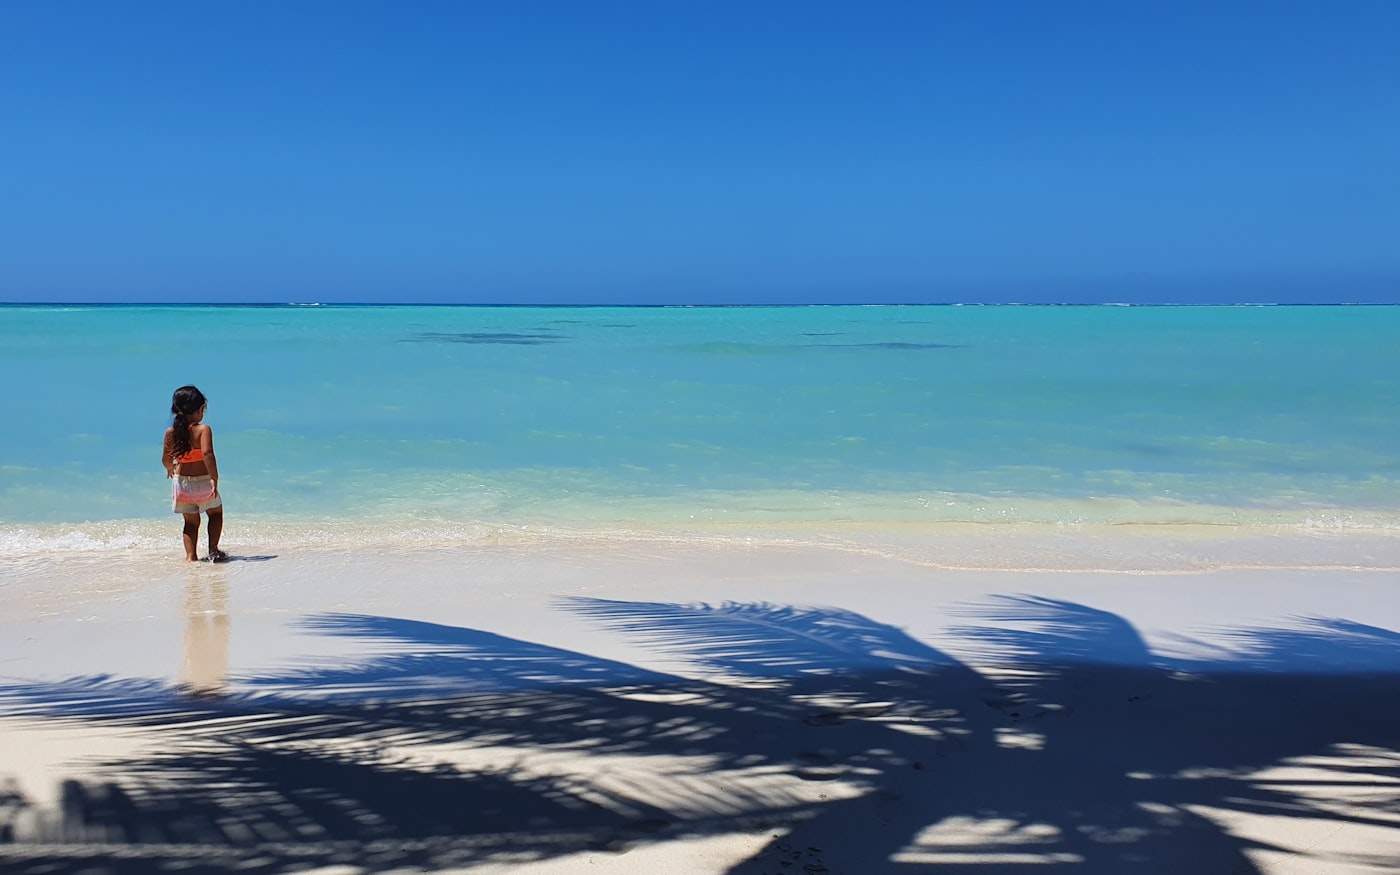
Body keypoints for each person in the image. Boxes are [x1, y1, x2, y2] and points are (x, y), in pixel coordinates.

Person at [162, 385, 227, 562]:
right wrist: (214, 477)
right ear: (199, 410)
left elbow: (166, 459)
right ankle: (213, 551)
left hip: (181, 483)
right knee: (215, 514)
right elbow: (207, 454)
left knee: (190, 523)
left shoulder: (170, 433)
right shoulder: (203, 430)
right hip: (203, 481)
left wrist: (170, 469)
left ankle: (191, 557)